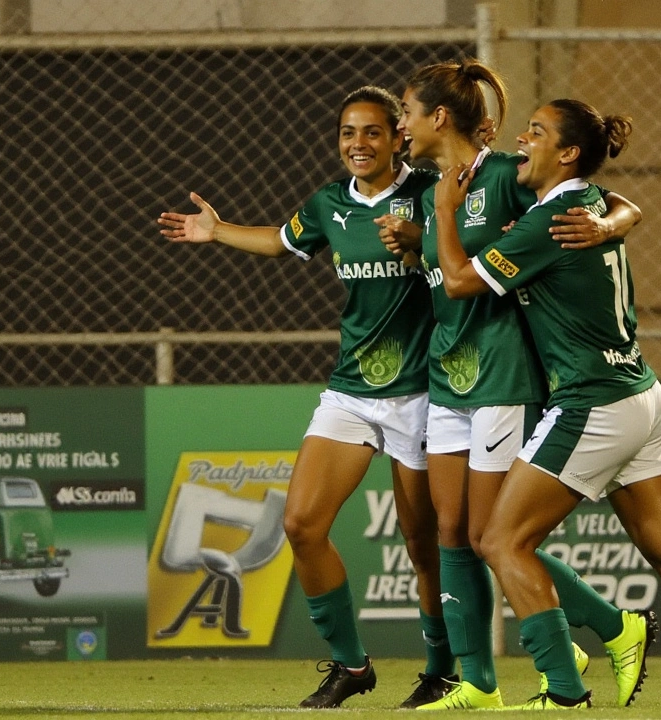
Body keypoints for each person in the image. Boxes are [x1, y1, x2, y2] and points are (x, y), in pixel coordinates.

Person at [431, 98, 661, 710]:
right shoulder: (584, 205)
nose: (523, 140)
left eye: (536, 133)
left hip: (592, 402)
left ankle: (563, 691)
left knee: (501, 542)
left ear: (569, 153)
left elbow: (459, 281)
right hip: (640, 394)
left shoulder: (550, 222)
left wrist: (446, 214)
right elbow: (623, 207)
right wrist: (615, 221)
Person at [158, 86, 453, 709]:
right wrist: (216, 232)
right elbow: (279, 240)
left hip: (425, 392)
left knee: (422, 542)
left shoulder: (432, 192)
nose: (358, 144)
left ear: (400, 137)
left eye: (372, 132)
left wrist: (422, 240)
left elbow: (467, 254)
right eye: (348, 133)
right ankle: (351, 665)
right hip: (352, 391)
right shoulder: (328, 206)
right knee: (300, 523)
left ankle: (442, 668)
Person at [393, 61, 657, 711]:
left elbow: (605, 201)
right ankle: (478, 683)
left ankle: (603, 630)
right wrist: (418, 240)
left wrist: (611, 224)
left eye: (406, 111)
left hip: (505, 376)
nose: (401, 123)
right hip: (449, 375)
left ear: (439, 118)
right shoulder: (434, 193)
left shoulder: (510, 177)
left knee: (494, 537)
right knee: (452, 533)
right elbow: (448, 272)